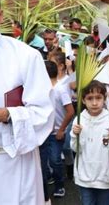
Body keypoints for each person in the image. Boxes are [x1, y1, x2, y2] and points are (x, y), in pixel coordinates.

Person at [0, 0, 54, 203]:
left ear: (1, 15)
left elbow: (44, 115)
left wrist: (6, 115)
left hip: (12, 166)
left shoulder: (26, 57)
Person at [70, 80, 109, 205]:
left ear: (104, 99)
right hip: (85, 177)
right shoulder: (79, 119)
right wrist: (75, 135)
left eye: (98, 98)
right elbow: (76, 149)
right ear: (83, 100)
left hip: (105, 177)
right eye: (90, 98)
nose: (94, 103)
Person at [40, 60, 75, 198]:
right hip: (44, 133)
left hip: (56, 133)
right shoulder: (42, 89)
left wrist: (61, 130)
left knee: (55, 160)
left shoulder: (60, 90)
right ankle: (48, 180)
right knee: (42, 163)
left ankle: (60, 185)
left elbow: (70, 111)